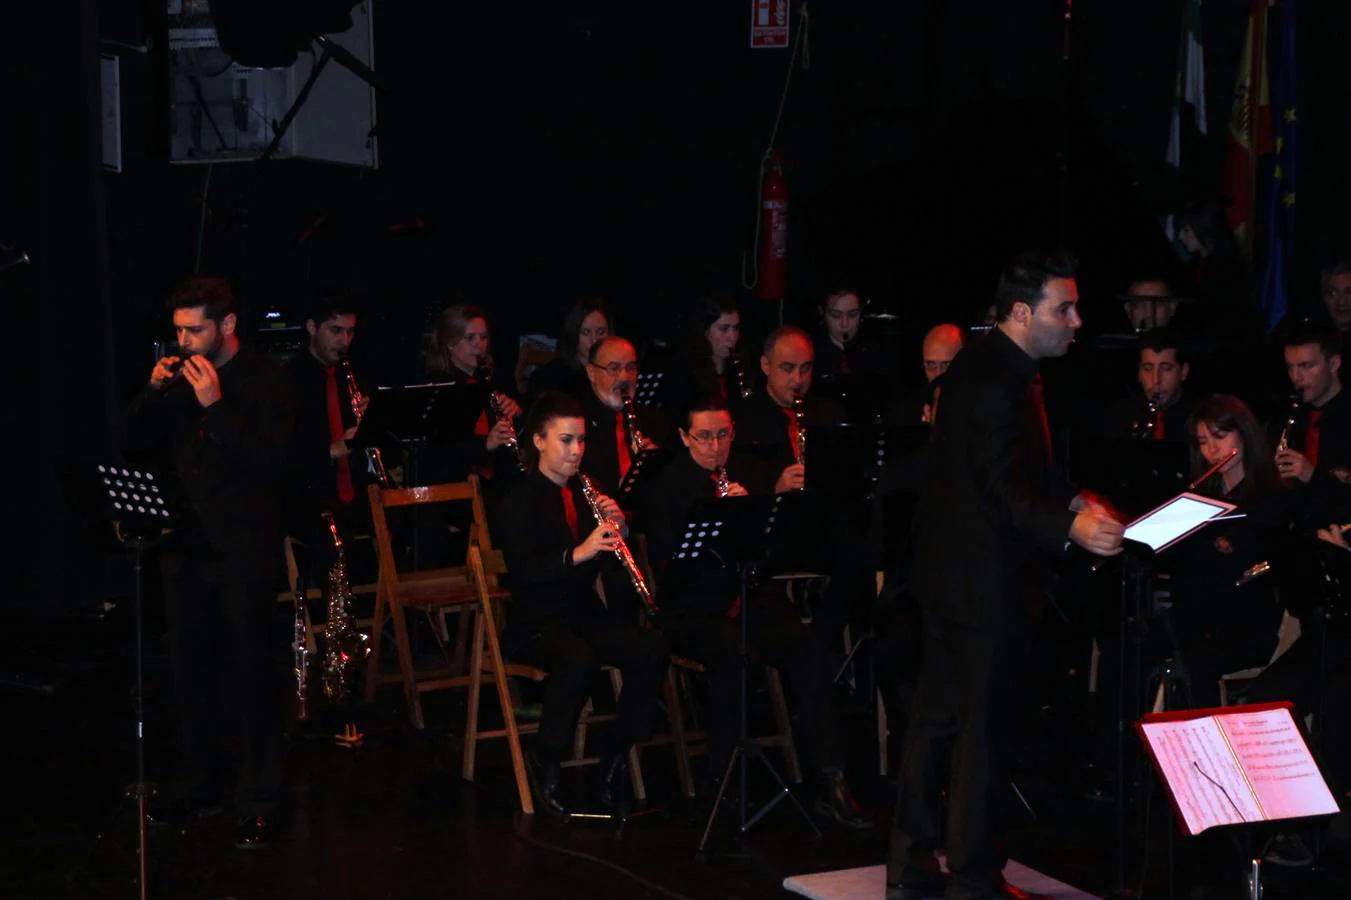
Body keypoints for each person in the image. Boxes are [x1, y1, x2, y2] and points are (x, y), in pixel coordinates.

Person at [888, 254, 1124, 900]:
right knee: (978, 734)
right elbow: (998, 491)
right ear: (1021, 312)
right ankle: (972, 877)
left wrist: (1071, 501)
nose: (1076, 322)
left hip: (948, 579)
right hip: (979, 585)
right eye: (1062, 309)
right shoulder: (996, 380)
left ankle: (912, 865)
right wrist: (1068, 528)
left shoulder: (987, 366)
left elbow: (1015, 472)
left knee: (937, 721)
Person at [121, 275, 295, 850]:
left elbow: (269, 466)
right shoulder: (175, 378)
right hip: (185, 549)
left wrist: (216, 407)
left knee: (250, 675)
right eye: (177, 330)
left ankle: (261, 797)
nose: (184, 341)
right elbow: (134, 447)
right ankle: (201, 784)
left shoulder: (267, 379)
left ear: (227, 326)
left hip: (243, 551)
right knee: (190, 674)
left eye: (195, 330)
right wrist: (151, 394)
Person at [644, 396, 870, 828]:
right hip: (695, 606)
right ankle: (726, 781)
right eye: (705, 437)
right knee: (729, 653)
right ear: (684, 437)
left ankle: (832, 779)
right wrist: (724, 527)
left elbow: (781, 550)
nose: (716, 446)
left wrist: (755, 516)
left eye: (723, 435)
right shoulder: (667, 486)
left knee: (804, 647)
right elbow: (671, 574)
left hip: (749, 595)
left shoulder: (748, 472)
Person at [495, 392, 669, 819]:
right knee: (579, 659)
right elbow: (525, 573)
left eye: (581, 441)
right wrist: (580, 552)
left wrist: (618, 528)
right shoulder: (519, 499)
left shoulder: (585, 491)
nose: (576, 451)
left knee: (651, 650)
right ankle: (547, 761)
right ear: (538, 441)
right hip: (536, 621)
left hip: (580, 613)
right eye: (565, 441)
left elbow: (602, 562)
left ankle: (613, 757)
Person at [283, 292, 370, 556]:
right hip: (309, 496)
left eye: (350, 332)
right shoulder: (287, 381)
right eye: (335, 330)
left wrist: (371, 424)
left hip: (355, 491)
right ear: (312, 327)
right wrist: (332, 450)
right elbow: (281, 454)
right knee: (334, 539)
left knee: (409, 522)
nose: (344, 341)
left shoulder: (353, 373)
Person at [662, 291, 754, 420]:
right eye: (724, 329)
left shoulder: (740, 368)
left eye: (736, 328)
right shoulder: (685, 373)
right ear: (705, 331)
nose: (732, 337)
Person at [1098, 326, 1192, 440]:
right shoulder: (1119, 416)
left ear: (1183, 371)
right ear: (1139, 373)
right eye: (1148, 369)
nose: (1156, 380)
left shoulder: (1200, 418)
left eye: (1166, 368)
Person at [527, 296, 612, 401]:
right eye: (585, 332)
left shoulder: (617, 374)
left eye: (601, 332)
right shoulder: (551, 379)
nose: (594, 340)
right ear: (573, 334)